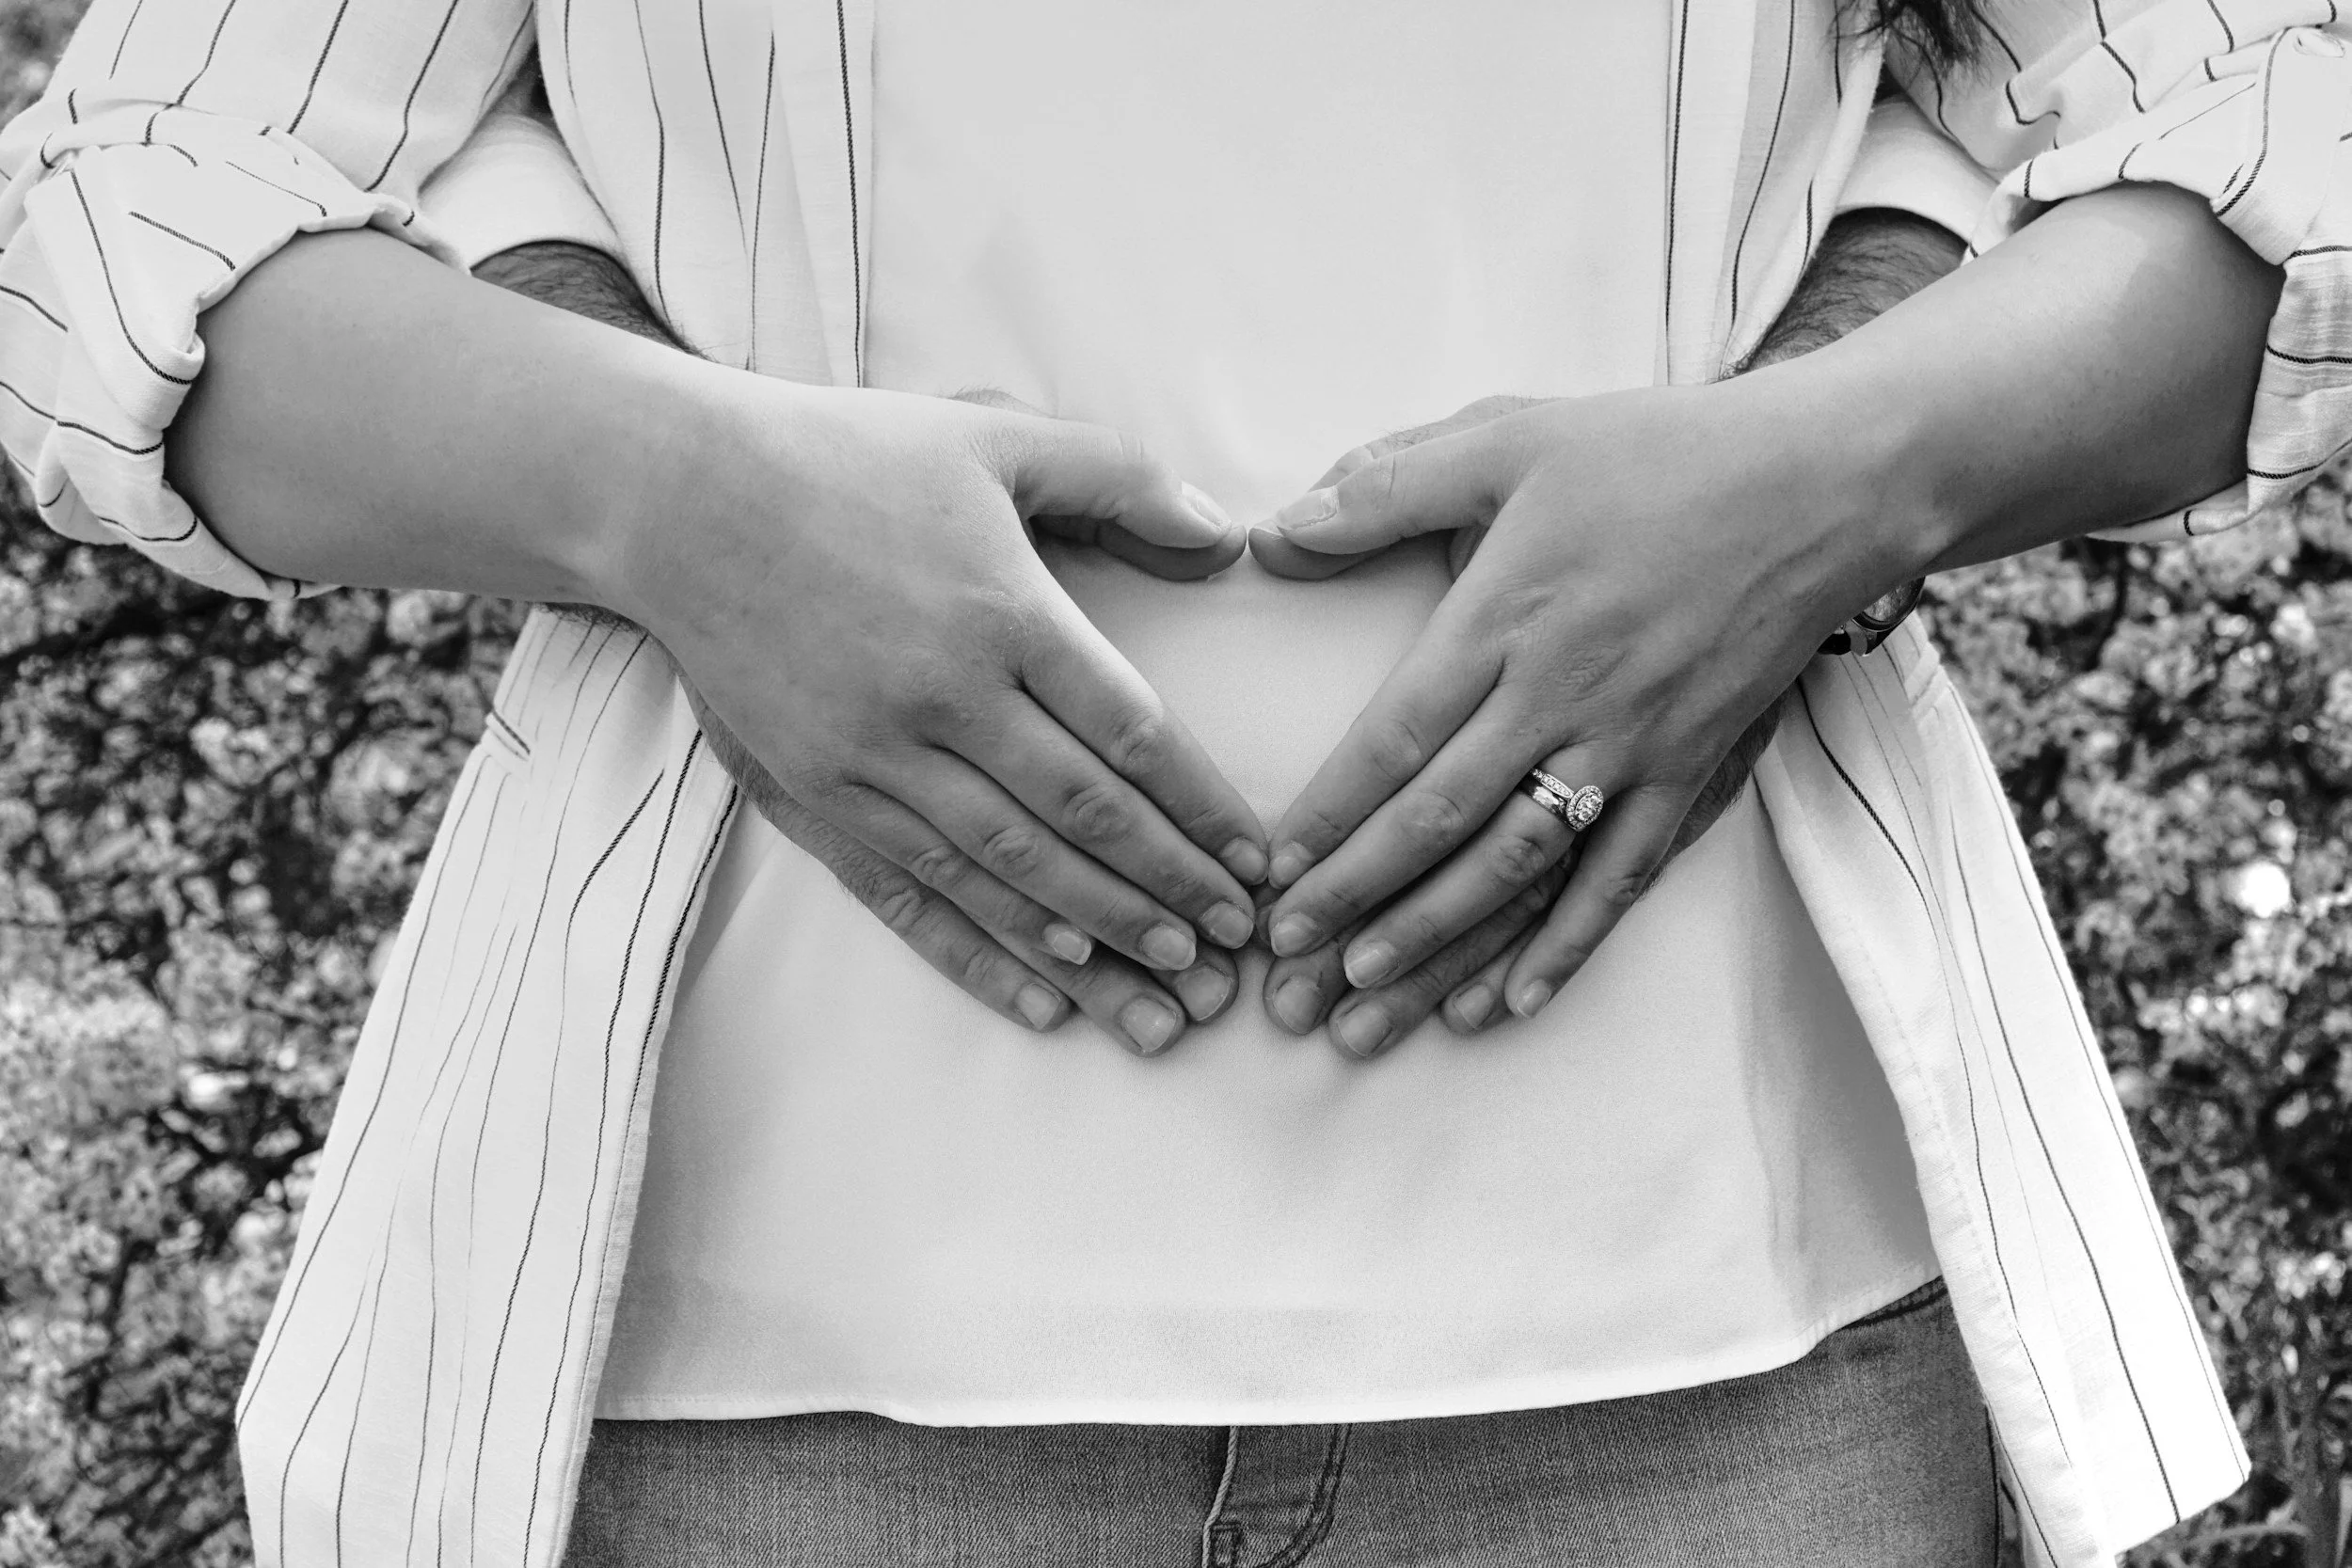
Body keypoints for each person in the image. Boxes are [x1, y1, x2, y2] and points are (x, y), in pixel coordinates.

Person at [0, 2, 2344, 1565]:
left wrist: (1831, 465)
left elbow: (2284, 119)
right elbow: (121, 213)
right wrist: (664, 491)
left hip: (1728, 1362)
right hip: (762, 1376)